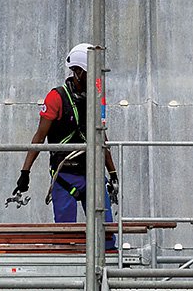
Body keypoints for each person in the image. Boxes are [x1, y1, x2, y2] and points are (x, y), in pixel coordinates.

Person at [11, 43, 119, 234]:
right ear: (77, 71)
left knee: (106, 235)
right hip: (64, 175)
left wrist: (113, 174)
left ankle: (107, 259)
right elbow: (39, 137)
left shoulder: (96, 98)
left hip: (92, 174)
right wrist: (24, 173)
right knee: (65, 235)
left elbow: (102, 139)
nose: (95, 77)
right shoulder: (56, 98)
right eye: (89, 72)